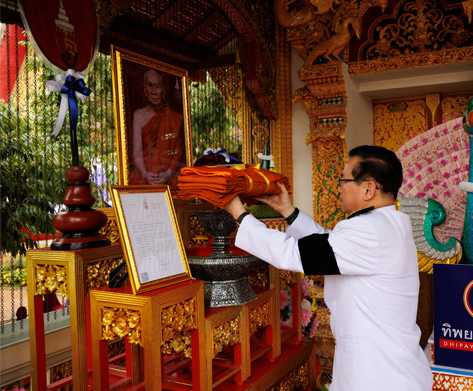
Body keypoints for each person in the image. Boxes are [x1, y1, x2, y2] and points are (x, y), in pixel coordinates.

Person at [224, 145, 433, 391]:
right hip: (387, 360)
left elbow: (293, 254)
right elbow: (329, 246)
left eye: (343, 180)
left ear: (368, 189)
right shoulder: (389, 223)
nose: (339, 188)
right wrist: (288, 212)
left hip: (376, 370)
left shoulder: (369, 230)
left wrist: (239, 214)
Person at [129, 69, 184, 186]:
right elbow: (137, 152)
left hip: (168, 175)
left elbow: (177, 151)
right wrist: (145, 174)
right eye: (150, 86)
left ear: (163, 90)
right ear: (145, 89)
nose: (154, 92)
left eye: (157, 86)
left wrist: (168, 174)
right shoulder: (138, 115)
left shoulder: (173, 117)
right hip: (144, 175)